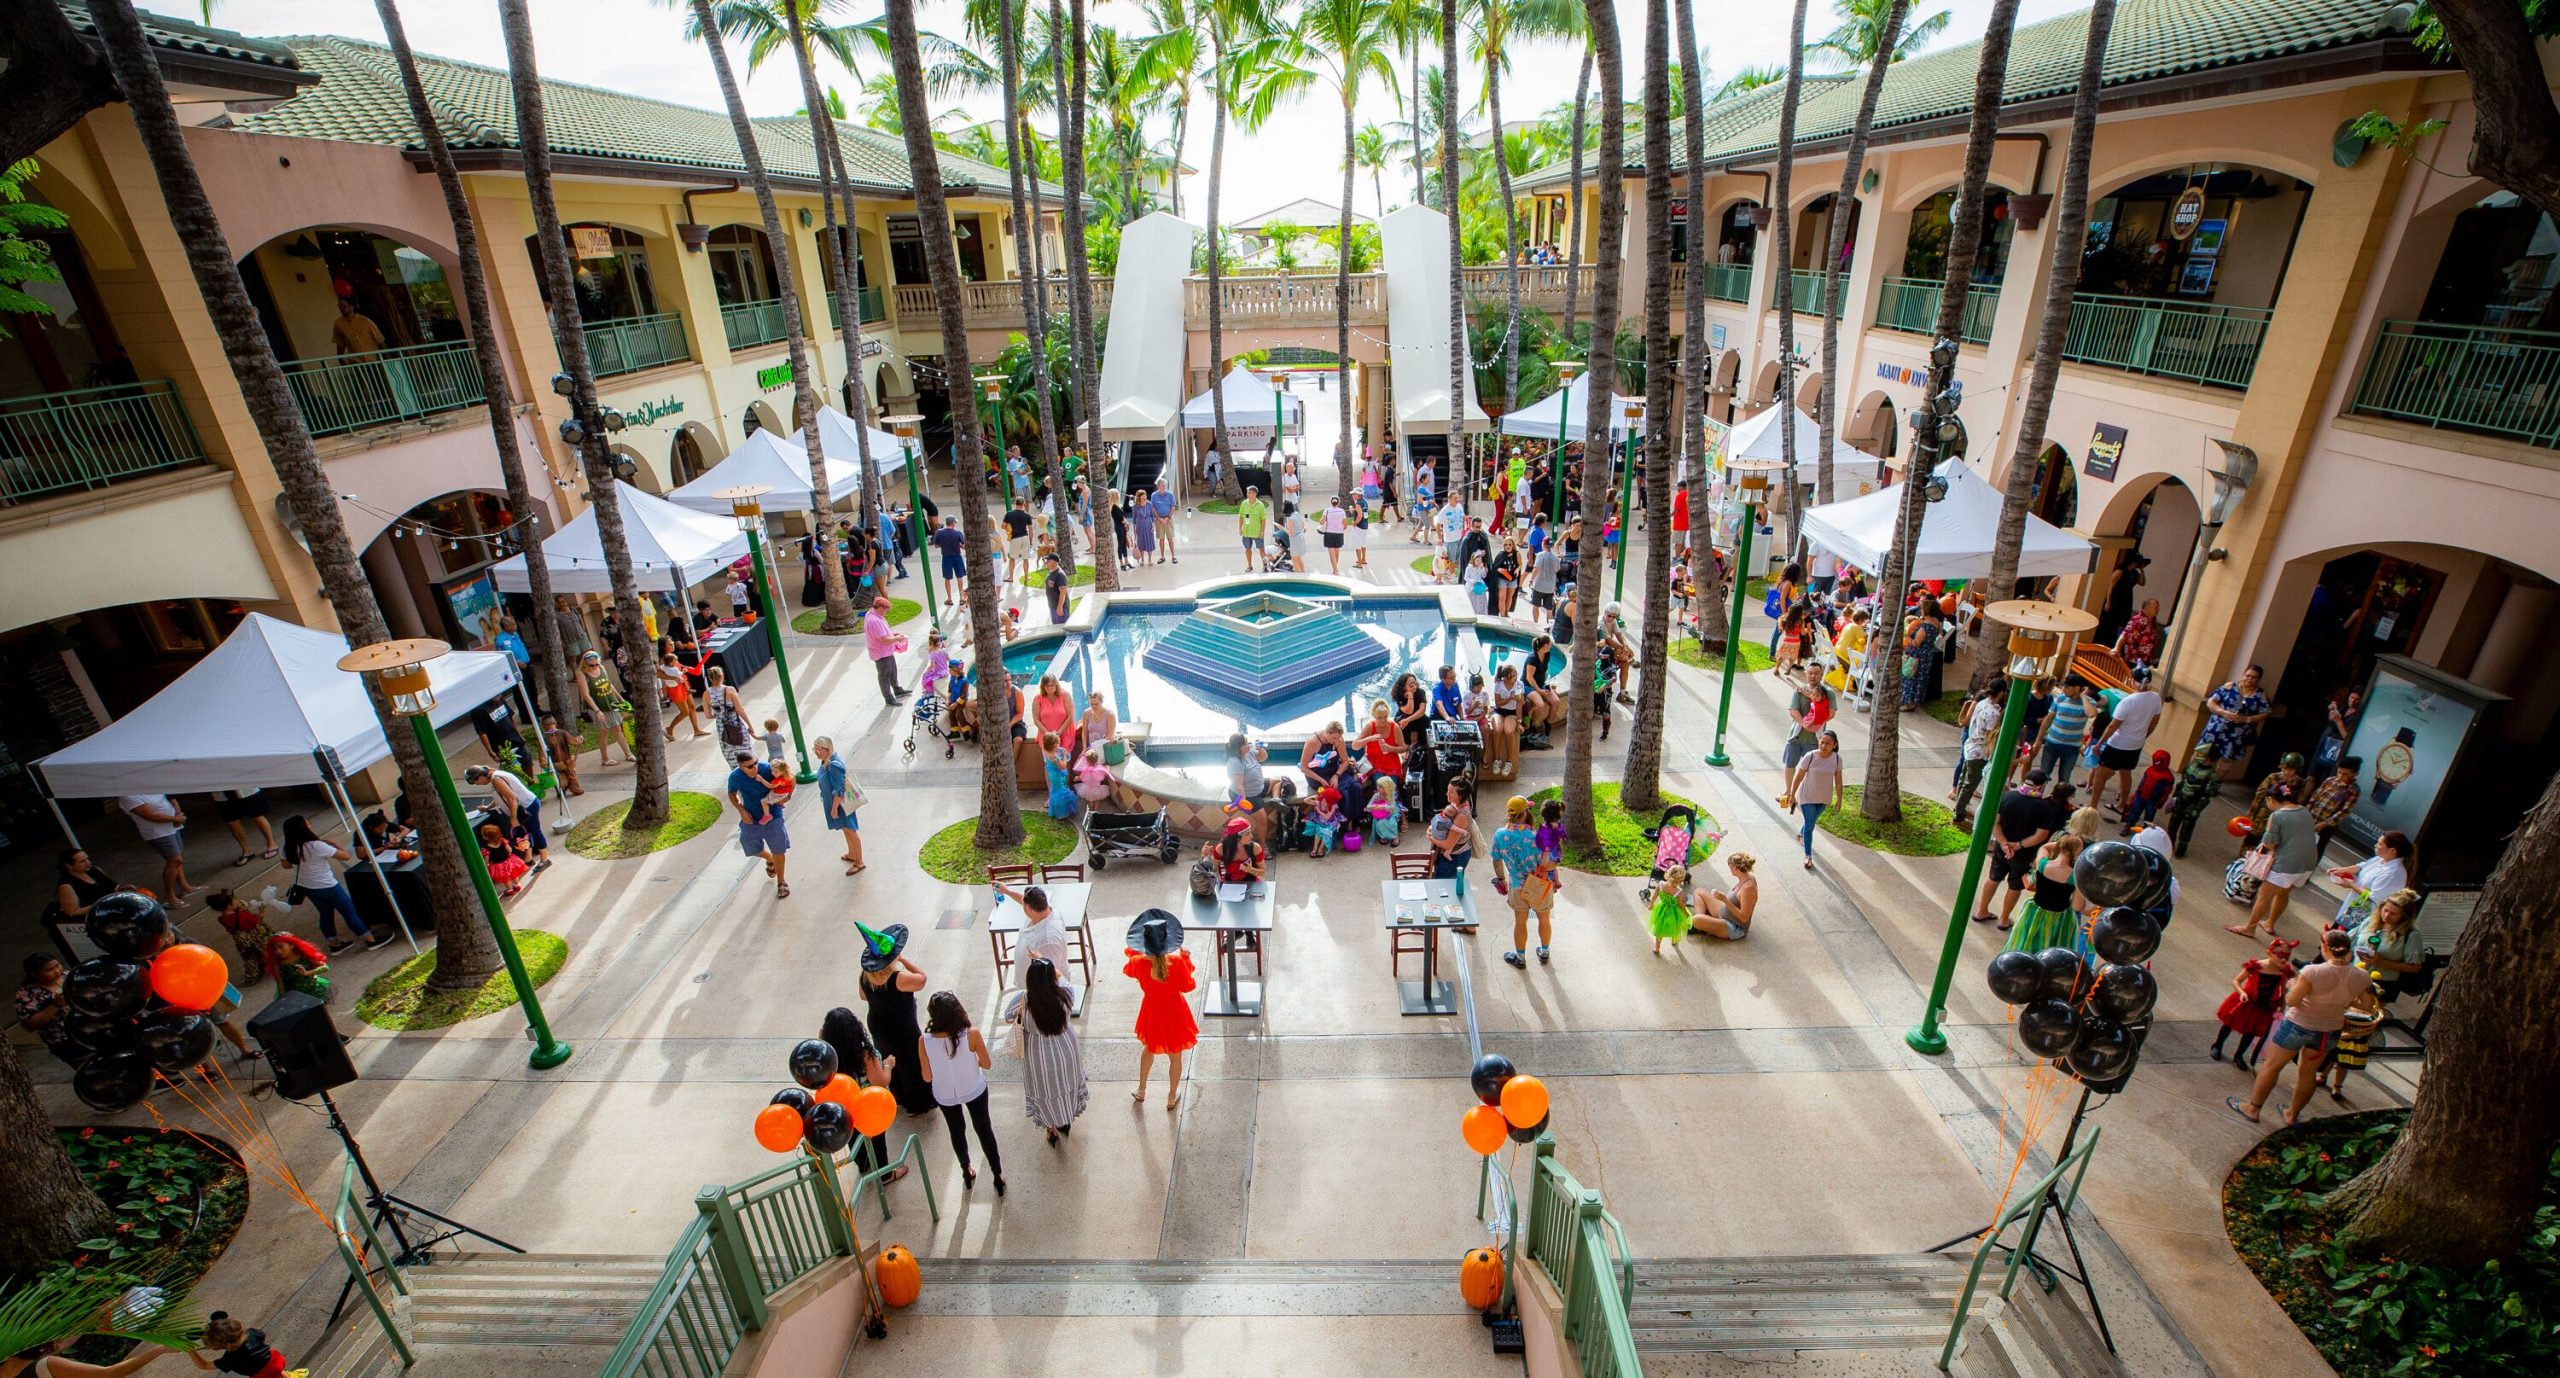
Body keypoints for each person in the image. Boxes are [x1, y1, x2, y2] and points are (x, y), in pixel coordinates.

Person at [2229, 927, 2372, 1128]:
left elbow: (2293, 1000)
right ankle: (2292, 1114)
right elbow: (2365, 1006)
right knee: (2308, 1073)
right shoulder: (2362, 976)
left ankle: (2253, 1108)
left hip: (2298, 1025)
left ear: (2325, 948)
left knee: (2272, 1066)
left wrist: (2292, 986)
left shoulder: (2312, 971)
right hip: (2328, 1031)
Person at [918, 990, 1004, 1194]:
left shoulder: (924, 1041)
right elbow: (987, 1064)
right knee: (984, 1129)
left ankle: (966, 1170)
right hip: (973, 1089)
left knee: (956, 1131)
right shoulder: (971, 1034)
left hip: (945, 1095)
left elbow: (927, 1077)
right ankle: (997, 1174)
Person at [1003, 957, 1087, 1145]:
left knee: (1045, 1090)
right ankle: (1066, 1120)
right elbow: (1062, 975)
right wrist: (1044, 959)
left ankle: (1051, 1128)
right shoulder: (1066, 993)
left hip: (1037, 1054)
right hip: (1065, 1048)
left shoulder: (1024, 999)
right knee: (1065, 1084)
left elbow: (1008, 1016)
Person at [275, 813, 381, 954]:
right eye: (308, 823)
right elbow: (346, 856)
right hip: (328, 885)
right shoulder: (316, 845)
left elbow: (286, 865)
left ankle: (334, 944)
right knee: (349, 912)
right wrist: (336, 845)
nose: (310, 825)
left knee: (325, 914)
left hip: (307, 887)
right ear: (303, 828)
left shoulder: (286, 846)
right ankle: (370, 940)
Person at [820, 1006, 904, 1180]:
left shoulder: (827, 1056)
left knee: (852, 1135)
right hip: (868, 1106)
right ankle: (885, 1175)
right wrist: (888, 1065)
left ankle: (863, 1162)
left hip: (843, 1107)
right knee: (877, 1139)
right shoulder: (865, 1054)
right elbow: (880, 1081)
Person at [1126, 911, 1197, 1109]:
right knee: (1175, 1056)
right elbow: (1188, 986)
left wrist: (1134, 951)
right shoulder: (1177, 963)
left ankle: (1141, 1089)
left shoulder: (1138, 963)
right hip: (1174, 1012)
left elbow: (1130, 968)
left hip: (1151, 1011)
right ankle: (1172, 1096)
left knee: (1149, 1049)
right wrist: (1186, 959)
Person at [859, 926, 933, 1117]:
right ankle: (916, 1104)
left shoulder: (865, 977)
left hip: (878, 1026)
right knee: (911, 1063)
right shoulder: (898, 979)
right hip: (902, 1028)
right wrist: (904, 960)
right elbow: (922, 979)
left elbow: (862, 996)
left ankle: (898, 1096)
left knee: (889, 1060)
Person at [1971, 770, 2058, 928]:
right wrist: (2018, 845)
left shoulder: (2007, 797)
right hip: (2024, 853)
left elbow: (1995, 823)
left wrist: (2004, 844)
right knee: (2015, 885)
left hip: (2001, 848)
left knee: (1993, 877)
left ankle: (1981, 911)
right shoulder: (2044, 807)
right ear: (2041, 786)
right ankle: (2004, 919)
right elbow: (2041, 835)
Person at [2229, 783, 2315, 939]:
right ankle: (2269, 923)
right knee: (2283, 893)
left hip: (2285, 863)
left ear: (2271, 799)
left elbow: (2270, 843)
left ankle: (2250, 928)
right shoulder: (2304, 811)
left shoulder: (2277, 816)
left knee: (2264, 895)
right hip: (2307, 863)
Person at [2211, 936, 2299, 1071]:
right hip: (2246, 1002)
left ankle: (2239, 1055)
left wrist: (2282, 1007)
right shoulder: (2256, 966)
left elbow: (2283, 990)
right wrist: (2242, 993)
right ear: (2269, 952)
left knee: (2251, 1032)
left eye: (2286, 957)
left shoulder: (2284, 971)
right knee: (2229, 1024)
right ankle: (2217, 1045)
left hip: (2265, 1006)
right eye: (2280, 956)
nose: (2283, 960)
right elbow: (2236, 981)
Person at [2086, 666, 2163, 814]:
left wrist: (2099, 743)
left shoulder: (2128, 701)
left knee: (2100, 775)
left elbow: (2113, 726)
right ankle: (2122, 804)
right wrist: (2143, 736)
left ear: (2133, 681)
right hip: (2136, 745)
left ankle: (2093, 805)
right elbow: (2155, 721)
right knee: (2125, 774)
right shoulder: (2155, 698)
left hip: (2118, 744)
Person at [1488, 796, 1554, 969]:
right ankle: (1544, 952)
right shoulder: (1537, 835)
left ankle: (1520, 957)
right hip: (1539, 883)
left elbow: (1496, 860)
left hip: (1517, 885)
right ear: (1525, 812)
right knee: (1544, 918)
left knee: (1520, 921)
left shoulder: (1500, 835)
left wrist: (1501, 879)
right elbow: (1552, 861)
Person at [2002, 833, 2091, 959]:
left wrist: (2063, 844)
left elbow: (2044, 848)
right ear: (2076, 852)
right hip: (2060, 918)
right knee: (2053, 954)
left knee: (2026, 943)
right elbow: (2076, 906)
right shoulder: (2076, 877)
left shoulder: (2042, 864)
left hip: (2034, 912)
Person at [727, 748, 790, 900]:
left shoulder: (767, 769)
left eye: (755, 763)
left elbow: (789, 777)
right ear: (741, 767)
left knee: (779, 849)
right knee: (751, 847)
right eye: (750, 766)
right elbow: (731, 794)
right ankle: (769, 859)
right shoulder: (735, 777)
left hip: (773, 817)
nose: (755, 767)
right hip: (751, 818)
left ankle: (781, 882)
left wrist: (786, 797)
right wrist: (741, 810)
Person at [1780, 730, 1844, 871]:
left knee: (1811, 821)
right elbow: (1799, 776)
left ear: (1834, 745)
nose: (1824, 745)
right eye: (1822, 742)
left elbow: (1838, 781)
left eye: (1828, 743)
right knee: (1810, 825)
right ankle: (1808, 855)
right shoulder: (1810, 756)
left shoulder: (1837, 759)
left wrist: (1839, 799)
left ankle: (1801, 833)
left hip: (1824, 798)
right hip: (1807, 796)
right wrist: (1792, 793)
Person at [464, 764, 549, 868]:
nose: (477, 785)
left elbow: (511, 798)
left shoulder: (496, 779)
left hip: (527, 806)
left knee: (535, 831)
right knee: (526, 833)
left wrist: (513, 817)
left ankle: (545, 859)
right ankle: (529, 858)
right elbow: (501, 796)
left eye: (476, 783)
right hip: (527, 805)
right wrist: (487, 807)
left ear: (481, 777)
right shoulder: (496, 775)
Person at [2351, 887, 2426, 1002]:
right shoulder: (2370, 921)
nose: (2386, 916)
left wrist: (2382, 962)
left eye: (2394, 914)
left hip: (2381, 983)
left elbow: (2415, 967)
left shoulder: (2411, 935)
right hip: (2354, 975)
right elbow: (2352, 944)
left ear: (2404, 917)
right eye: (2385, 910)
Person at [2328, 830, 2412, 930]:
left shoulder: (2393, 873)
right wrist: (2344, 870)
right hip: (2352, 910)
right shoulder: (2380, 859)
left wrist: (2351, 885)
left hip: (2363, 915)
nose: (2376, 845)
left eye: (2380, 844)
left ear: (2392, 850)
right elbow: (2362, 866)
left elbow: (2375, 897)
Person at [118, 792, 193, 903]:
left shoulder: (148, 787)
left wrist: (177, 815)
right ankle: (169, 896)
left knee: (178, 858)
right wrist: (175, 819)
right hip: (157, 832)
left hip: (172, 827)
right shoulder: (128, 796)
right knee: (174, 860)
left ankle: (184, 886)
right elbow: (151, 816)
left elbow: (171, 798)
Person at [17, 953, 88, 1065]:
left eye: (57, 965)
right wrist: (55, 1004)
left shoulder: (67, 976)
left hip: (88, 1030)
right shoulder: (27, 994)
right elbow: (30, 1025)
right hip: (66, 1041)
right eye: (49, 969)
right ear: (34, 974)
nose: (57, 971)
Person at [2199, 664, 2274, 769]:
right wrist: (2223, 712)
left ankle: (2214, 783)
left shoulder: (2261, 694)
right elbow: (2211, 701)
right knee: (2202, 752)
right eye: (2248, 675)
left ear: (2259, 679)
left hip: (2237, 733)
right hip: (2216, 727)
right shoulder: (2230, 686)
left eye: (2253, 677)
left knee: (2226, 759)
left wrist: (2247, 719)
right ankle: (2190, 777)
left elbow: (2265, 713)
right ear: (2243, 674)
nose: (2249, 679)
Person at [1951, 690, 2003, 827]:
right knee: (1970, 784)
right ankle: (1958, 815)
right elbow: (1989, 734)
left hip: (1970, 746)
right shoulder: (1994, 713)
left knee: (1963, 779)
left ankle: (1958, 808)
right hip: (1979, 752)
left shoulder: (1982, 703)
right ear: (2001, 692)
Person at [814, 736, 863, 876]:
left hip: (840, 804)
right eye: (815, 749)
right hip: (834, 803)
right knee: (845, 829)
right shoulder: (826, 761)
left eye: (819, 749)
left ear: (827, 749)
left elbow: (839, 790)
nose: (817, 752)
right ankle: (852, 854)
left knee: (850, 829)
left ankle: (859, 861)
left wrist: (834, 808)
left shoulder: (833, 765)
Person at [2166, 742, 2223, 856]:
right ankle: (2168, 843)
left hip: (2194, 803)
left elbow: (2207, 796)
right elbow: (2181, 783)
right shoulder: (2191, 766)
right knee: (2173, 822)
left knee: (2187, 826)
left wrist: (2197, 810)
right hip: (2181, 799)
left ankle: (2182, 846)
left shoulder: (2212, 776)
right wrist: (2175, 798)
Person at [2034, 679, 2093, 788]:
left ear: (2077, 688)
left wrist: (2083, 696)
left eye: (2067, 687)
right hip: (2052, 743)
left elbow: (2091, 714)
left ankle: (2059, 801)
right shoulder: (2059, 699)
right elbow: (2048, 719)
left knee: (2064, 778)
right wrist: (2039, 739)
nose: (2063, 689)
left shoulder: (2088, 702)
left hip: (2072, 747)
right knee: (2043, 775)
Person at [1690, 852, 1759, 941]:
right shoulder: (1746, 877)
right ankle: (1702, 924)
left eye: (1730, 867)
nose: (1730, 870)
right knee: (1698, 891)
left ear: (1735, 868)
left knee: (1696, 919)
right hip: (1724, 911)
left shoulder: (1748, 888)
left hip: (1734, 926)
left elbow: (1744, 918)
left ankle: (1701, 923)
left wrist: (1724, 899)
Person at [52, 848, 132, 923]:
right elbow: (73, 912)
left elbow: (112, 889)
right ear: (69, 865)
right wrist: (102, 904)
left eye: (87, 859)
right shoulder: (66, 886)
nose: (88, 863)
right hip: (96, 918)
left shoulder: (94, 870)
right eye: (82, 861)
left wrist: (123, 890)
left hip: (114, 909)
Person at [2306, 757, 2362, 858]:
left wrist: (2323, 824)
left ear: (2355, 774)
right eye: (2339, 772)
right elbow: (2315, 796)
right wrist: (2306, 811)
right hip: (2312, 816)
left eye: (2345, 774)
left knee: (2317, 848)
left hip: (2327, 826)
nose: (2341, 776)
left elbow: (2343, 812)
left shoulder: (2353, 790)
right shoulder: (2330, 781)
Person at [209, 788, 277, 867]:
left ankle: (272, 844)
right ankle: (247, 851)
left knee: (257, 816)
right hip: (220, 790)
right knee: (232, 822)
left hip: (245, 788)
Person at [1428, 778, 1477, 885]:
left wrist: (1431, 837)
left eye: (1451, 793)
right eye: (1447, 790)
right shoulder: (1457, 804)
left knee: (1444, 886)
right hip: (1454, 854)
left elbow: (1447, 844)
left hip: (1455, 858)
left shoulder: (1461, 816)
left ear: (1461, 795)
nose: (1447, 794)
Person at [650, 647, 703, 741]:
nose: (673, 644)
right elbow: (658, 674)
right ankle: (670, 728)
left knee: (692, 706)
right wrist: (673, 678)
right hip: (675, 688)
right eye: (670, 643)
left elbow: (680, 666)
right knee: (685, 712)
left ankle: (696, 730)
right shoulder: (664, 660)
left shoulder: (673, 658)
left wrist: (689, 668)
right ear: (664, 645)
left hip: (682, 684)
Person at [2119, 750, 2176, 833]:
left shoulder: (2168, 777)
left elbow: (2166, 792)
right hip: (2141, 796)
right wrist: (2136, 795)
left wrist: (2160, 803)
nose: (2156, 763)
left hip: (2153, 800)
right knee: (2134, 811)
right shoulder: (2150, 770)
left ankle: (2147, 832)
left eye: (2158, 762)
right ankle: (2129, 826)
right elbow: (2142, 782)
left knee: (2149, 817)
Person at [1203, 816, 1268, 884]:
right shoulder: (1221, 848)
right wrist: (1205, 857)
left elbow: (1262, 872)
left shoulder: (1255, 848)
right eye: (1247, 834)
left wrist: (1251, 870)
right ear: (1237, 838)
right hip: (1229, 884)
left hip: (1251, 883)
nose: (1251, 836)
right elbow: (1213, 869)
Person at [1645, 863, 1692, 956]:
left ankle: (1657, 947)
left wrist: (1651, 904)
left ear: (1668, 873)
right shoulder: (1679, 892)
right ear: (1681, 879)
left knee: (1660, 928)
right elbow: (1681, 905)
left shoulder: (1661, 884)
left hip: (1661, 909)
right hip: (1674, 912)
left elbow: (1654, 895)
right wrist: (1686, 913)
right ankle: (1674, 940)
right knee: (1676, 926)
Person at [477, 823, 531, 898]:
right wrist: (508, 852)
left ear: (487, 837)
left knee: (506, 878)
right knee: (513, 873)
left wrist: (486, 865)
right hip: (508, 860)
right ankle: (517, 885)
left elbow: (487, 859)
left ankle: (510, 889)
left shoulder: (487, 848)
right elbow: (510, 850)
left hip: (498, 865)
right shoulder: (502, 840)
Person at [2113, 598, 2164, 671]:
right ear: (2147, 607)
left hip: (2145, 659)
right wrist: (2117, 648)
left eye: (2158, 608)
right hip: (2134, 660)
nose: (2158, 610)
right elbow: (2125, 634)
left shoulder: (2152, 620)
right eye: (2155, 607)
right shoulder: (2138, 620)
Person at [538, 714, 582, 796]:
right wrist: (578, 740)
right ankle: (574, 789)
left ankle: (562, 791)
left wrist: (543, 762)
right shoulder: (561, 733)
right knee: (570, 775)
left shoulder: (544, 737)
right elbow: (573, 741)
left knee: (559, 777)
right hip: (564, 761)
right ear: (555, 723)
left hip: (556, 763)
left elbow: (541, 752)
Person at [932, 516, 969, 606]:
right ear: (953, 523)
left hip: (946, 557)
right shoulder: (958, 533)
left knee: (947, 578)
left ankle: (949, 598)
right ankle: (961, 598)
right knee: (959, 577)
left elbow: (936, 545)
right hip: (957, 556)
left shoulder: (939, 532)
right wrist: (959, 546)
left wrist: (944, 544)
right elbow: (964, 546)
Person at [1041, 731, 1078, 819]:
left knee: (1054, 790)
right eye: (1057, 744)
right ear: (1053, 745)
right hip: (1058, 776)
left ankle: (1055, 810)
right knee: (1061, 792)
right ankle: (1063, 812)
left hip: (1052, 775)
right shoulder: (1054, 757)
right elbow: (1062, 766)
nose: (1058, 745)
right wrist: (1064, 755)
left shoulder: (1045, 751)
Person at [1223, 733, 1269, 802]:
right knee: (1262, 813)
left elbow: (1263, 757)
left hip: (1259, 788)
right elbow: (1238, 786)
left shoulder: (1249, 752)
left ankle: (1276, 800)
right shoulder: (1235, 762)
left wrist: (1260, 748)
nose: (1249, 744)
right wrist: (1244, 801)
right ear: (1240, 746)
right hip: (1249, 795)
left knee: (1279, 781)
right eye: (1247, 743)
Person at [1000, 498, 1035, 581]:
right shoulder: (1027, 515)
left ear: (1015, 504)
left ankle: (1011, 577)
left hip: (1015, 537)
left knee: (1012, 558)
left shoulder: (1009, 514)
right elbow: (1030, 530)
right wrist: (1030, 541)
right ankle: (1026, 577)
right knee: (1025, 558)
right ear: (1023, 504)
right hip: (1025, 537)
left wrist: (1009, 529)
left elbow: (1002, 526)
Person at [1236, 486, 1269, 569]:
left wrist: (1262, 532)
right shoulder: (1244, 503)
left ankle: (1265, 566)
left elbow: (1263, 520)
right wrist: (1240, 528)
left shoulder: (1260, 505)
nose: (1247, 494)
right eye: (1247, 492)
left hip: (1257, 532)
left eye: (1249, 493)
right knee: (1247, 549)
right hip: (1247, 532)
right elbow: (1241, 517)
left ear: (1254, 494)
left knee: (1261, 550)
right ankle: (1249, 565)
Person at [1151, 480, 1180, 564]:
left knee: (1170, 538)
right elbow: (1153, 508)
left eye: (1165, 485)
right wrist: (1159, 518)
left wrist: (1168, 517)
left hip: (1169, 519)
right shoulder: (1154, 495)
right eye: (1163, 485)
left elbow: (1173, 507)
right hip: (1159, 520)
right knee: (1161, 539)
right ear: (1158, 486)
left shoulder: (1170, 494)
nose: (1165, 487)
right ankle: (1162, 557)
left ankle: (1173, 556)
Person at [1320, 495, 1347, 573]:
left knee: (1331, 553)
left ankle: (1335, 569)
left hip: (1329, 533)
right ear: (1338, 502)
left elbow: (1321, 521)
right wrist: (1341, 529)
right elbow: (1345, 525)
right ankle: (1335, 568)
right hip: (1339, 533)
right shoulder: (1342, 511)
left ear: (1331, 502)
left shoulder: (1327, 510)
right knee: (1337, 551)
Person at [1042, 554, 1072, 624]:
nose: (1046, 562)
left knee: (1062, 629)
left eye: (1048, 561)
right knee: (1055, 628)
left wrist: (1060, 607)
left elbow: (1063, 592)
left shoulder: (1060, 575)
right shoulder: (1051, 572)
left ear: (1055, 562)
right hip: (1053, 606)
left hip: (1060, 608)